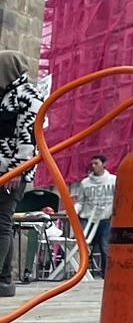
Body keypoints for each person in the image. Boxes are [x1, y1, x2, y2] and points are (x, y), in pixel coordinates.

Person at [0, 51, 42, 296]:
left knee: (2, 222)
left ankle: (4, 279)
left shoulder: (29, 96)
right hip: (2, 167)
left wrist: (19, 169)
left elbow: (30, 136)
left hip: (12, 170)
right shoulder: (5, 94)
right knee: (3, 222)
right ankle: (5, 279)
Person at [73, 155, 116, 279]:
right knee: (84, 246)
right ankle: (82, 272)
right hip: (88, 218)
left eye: (96, 163)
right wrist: (73, 211)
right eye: (92, 164)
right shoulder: (85, 183)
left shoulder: (113, 180)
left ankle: (106, 274)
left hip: (106, 218)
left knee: (105, 246)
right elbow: (81, 201)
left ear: (104, 164)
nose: (93, 166)